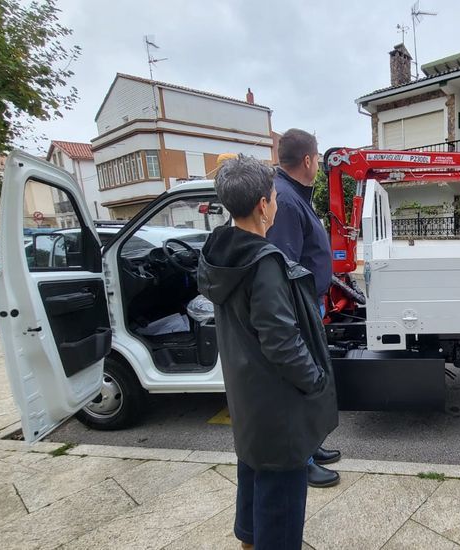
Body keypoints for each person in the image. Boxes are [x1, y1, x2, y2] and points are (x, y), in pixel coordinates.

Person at [197, 155, 338, 549]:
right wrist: (315, 380)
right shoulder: (264, 264)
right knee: (282, 503)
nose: (276, 201)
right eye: (274, 195)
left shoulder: (220, 252)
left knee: (253, 479)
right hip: (277, 408)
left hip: (247, 399)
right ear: (263, 204)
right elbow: (282, 342)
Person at [266, 128, 341, 488]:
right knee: (300, 384)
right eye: (319, 161)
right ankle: (303, 458)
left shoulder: (294, 195)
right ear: (309, 160)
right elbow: (285, 268)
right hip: (299, 307)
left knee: (314, 381)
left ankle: (313, 444)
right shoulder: (286, 199)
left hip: (311, 302)